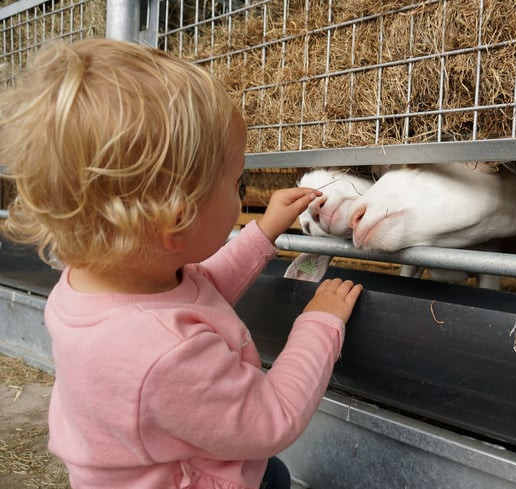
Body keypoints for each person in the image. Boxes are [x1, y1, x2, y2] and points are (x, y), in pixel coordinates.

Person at [0, 38, 362, 489]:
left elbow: (195, 295)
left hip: (197, 459)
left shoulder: (94, 283)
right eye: (237, 182)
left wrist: (262, 232)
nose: (241, 195)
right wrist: (318, 324)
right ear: (177, 219)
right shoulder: (163, 356)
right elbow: (272, 418)